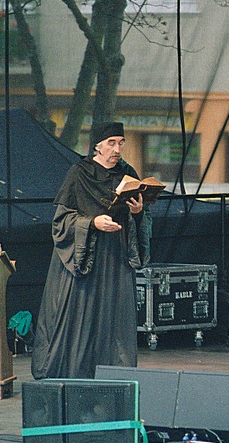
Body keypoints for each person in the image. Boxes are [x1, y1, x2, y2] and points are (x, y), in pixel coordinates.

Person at [31, 122, 152, 379]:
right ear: (97, 146)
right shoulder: (80, 173)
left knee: (114, 318)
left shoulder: (128, 173)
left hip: (116, 256)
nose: (117, 149)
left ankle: (114, 376)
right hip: (85, 256)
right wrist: (92, 223)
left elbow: (141, 219)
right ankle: (75, 372)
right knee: (79, 316)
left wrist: (137, 212)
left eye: (121, 143)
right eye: (111, 143)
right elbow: (61, 221)